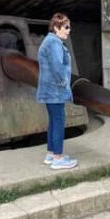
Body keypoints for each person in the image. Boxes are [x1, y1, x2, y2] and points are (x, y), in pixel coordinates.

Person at [37, 13, 78, 170]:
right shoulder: (54, 43)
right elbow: (58, 68)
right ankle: (58, 158)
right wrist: (64, 86)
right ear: (56, 27)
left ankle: (51, 154)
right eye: (66, 27)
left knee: (54, 121)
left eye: (69, 27)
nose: (69, 30)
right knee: (58, 122)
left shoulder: (49, 41)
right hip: (55, 91)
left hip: (49, 91)